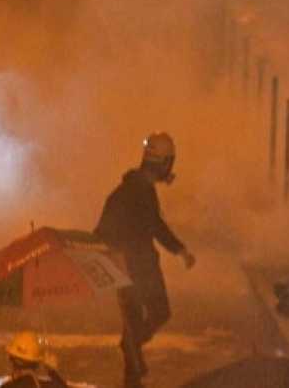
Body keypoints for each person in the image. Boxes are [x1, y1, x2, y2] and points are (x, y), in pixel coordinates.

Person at [94, 132, 196, 388]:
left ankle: (132, 361)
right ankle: (131, 352)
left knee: (134, 322)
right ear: (164, 163)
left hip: (123, 266)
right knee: (158, 312)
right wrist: (179, 249)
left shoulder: (129, 188)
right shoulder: (141, 191)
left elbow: (106, 228)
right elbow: (155, 226)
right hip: (138, 267)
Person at [0, 331, 66, 388]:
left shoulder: (6, 387)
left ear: (12, 360)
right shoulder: (45, 386)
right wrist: (52, 371)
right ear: (37, 363)